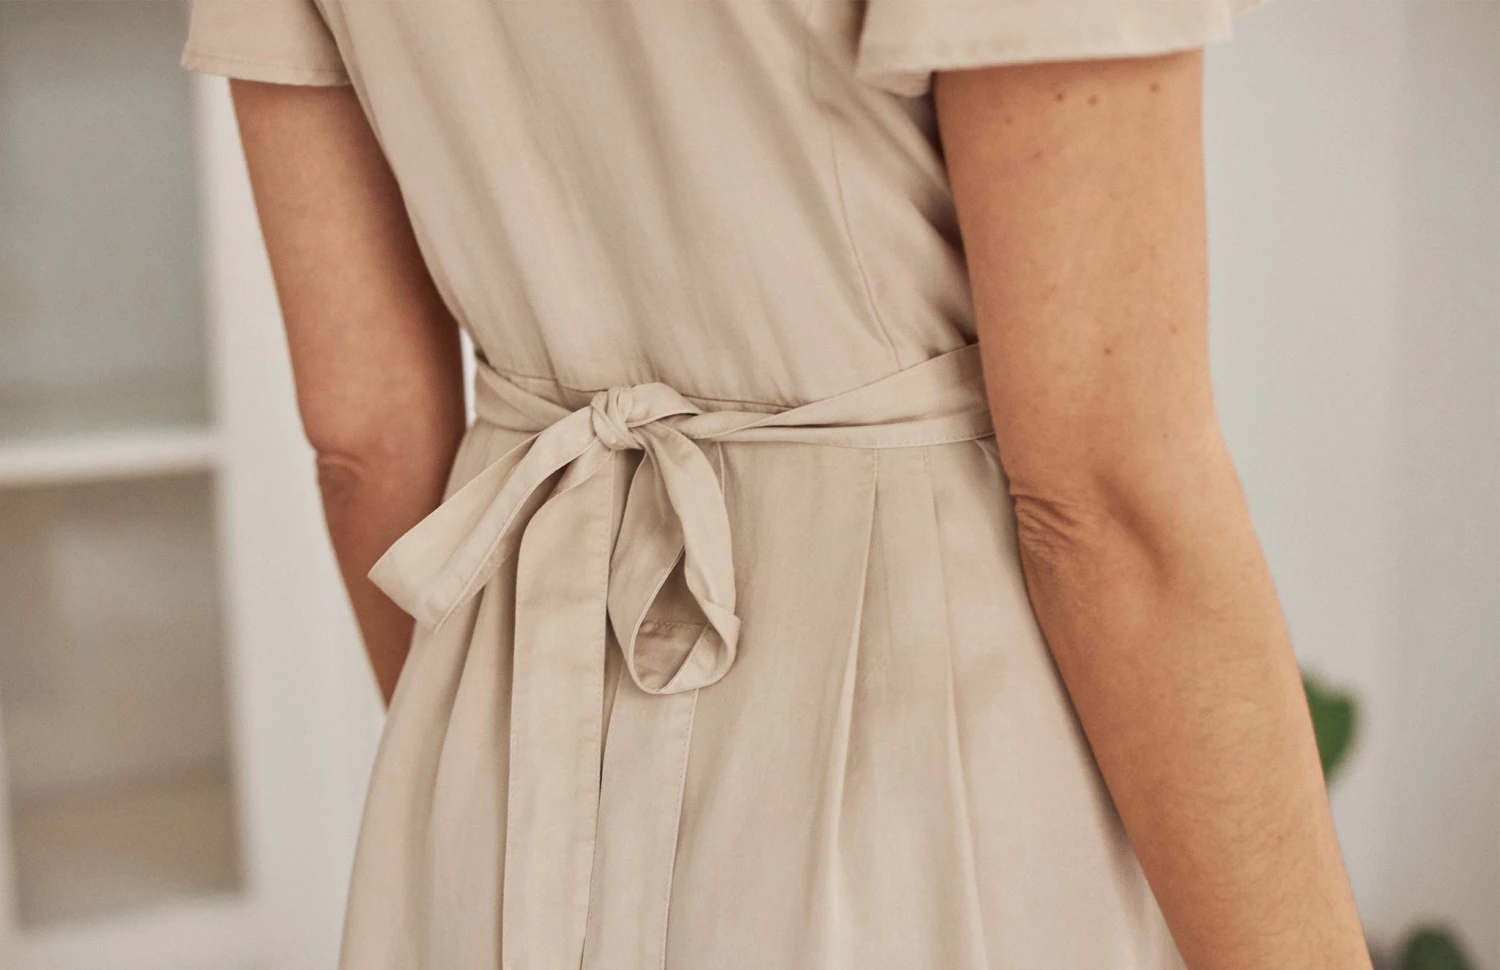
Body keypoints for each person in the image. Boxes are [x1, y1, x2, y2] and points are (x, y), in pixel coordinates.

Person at [181, 2, 1371, 967]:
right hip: (934, 779)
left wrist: (506, 768)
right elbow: (1107, 499)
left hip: (498, 775)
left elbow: (364, 443)